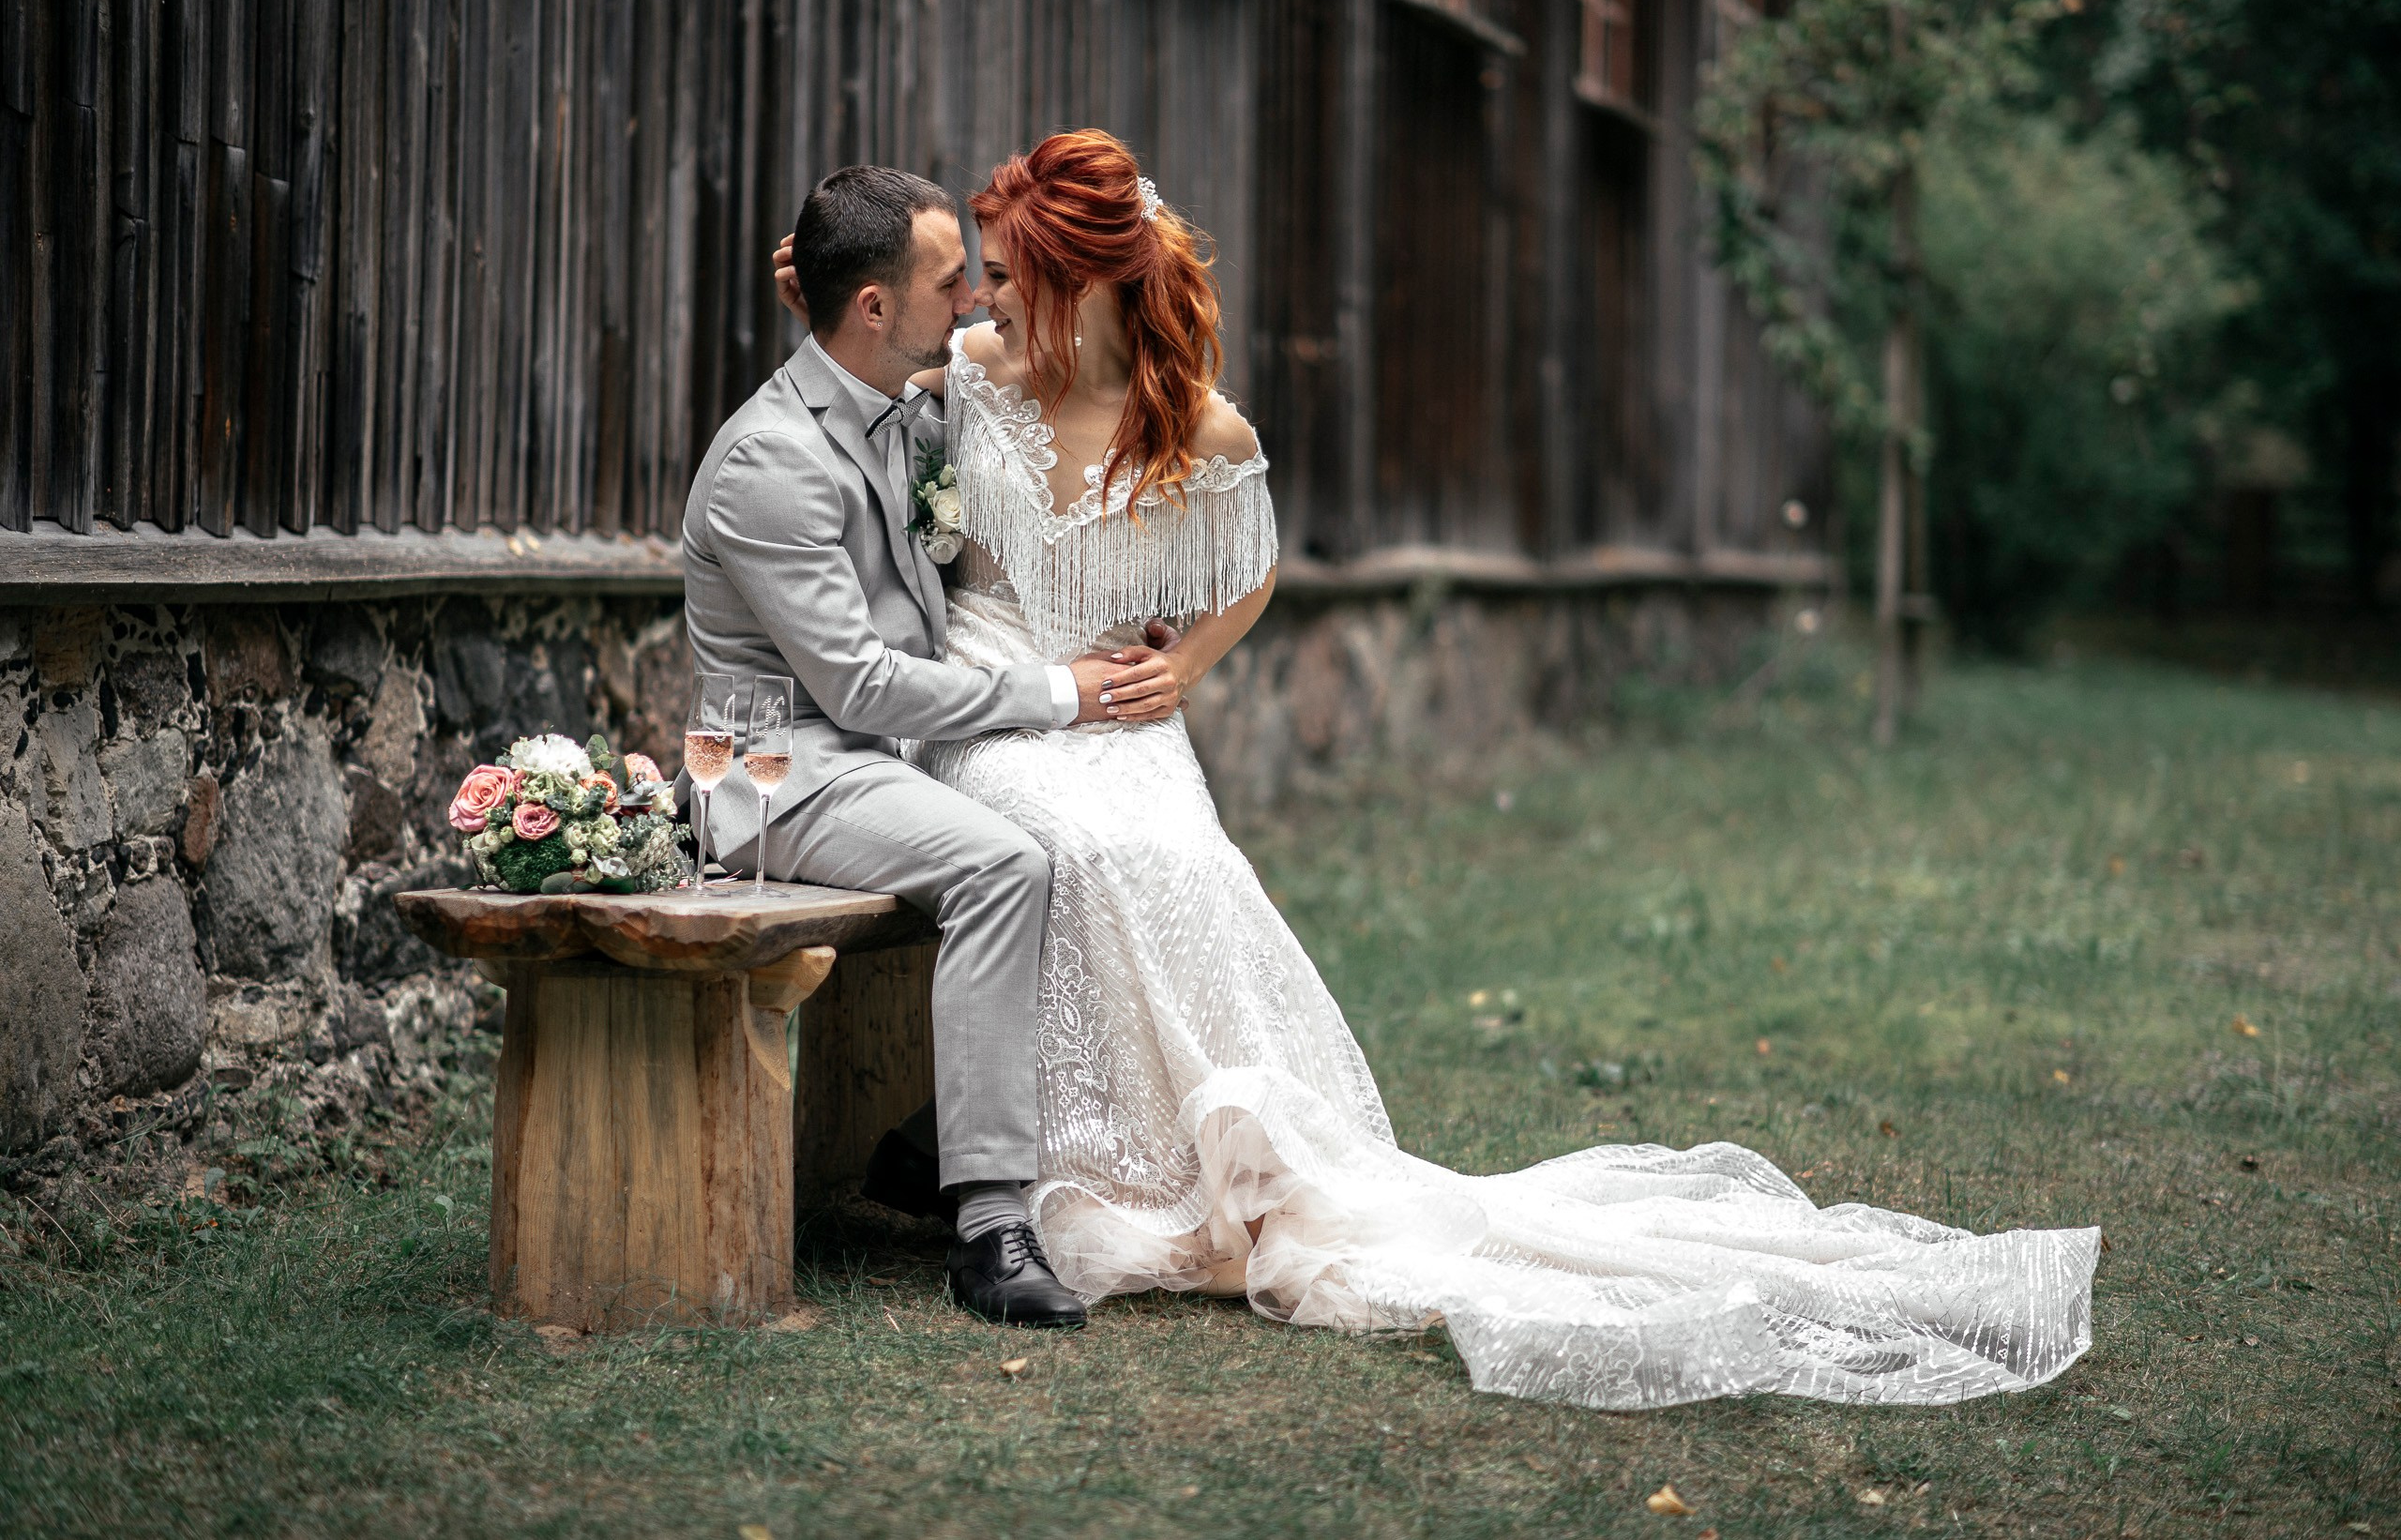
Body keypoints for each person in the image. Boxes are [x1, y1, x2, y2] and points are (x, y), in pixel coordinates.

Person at [773, 131, 2099, 1411]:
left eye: (1008, 273)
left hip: (1125, 703)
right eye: (982, 274)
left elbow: (1256, 570)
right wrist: (816, 290)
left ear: (1088, 280)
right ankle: (999, 1167)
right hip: (993, 702)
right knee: (1079, 846)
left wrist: (1189, 672)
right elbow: (862, 344)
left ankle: (1139, 1158)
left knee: (1184, 857)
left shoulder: (1203, 429)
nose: (984, 296)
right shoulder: (975, 373)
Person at [686, 163, 1172, 1330]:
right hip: (781, 771)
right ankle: (991, 1218)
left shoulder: (900, 397)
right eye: (951, 282)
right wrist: (1064, 691)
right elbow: (853, 682)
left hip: (888, 754)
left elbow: (1035, 453)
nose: (972, 302)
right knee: (1004, 862)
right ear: (872, 307)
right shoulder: (770, 463)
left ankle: (928, 1143)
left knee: (1090, 827)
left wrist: (1119, 620)